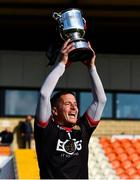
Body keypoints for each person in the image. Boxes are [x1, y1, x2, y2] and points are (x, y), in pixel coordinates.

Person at [34, 39, 107, 179]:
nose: (74, 106)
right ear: (54, 111)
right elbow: (44, 95)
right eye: (67, 104)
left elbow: (101, 100)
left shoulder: (83, 129)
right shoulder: (46, 129)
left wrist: (91, 67)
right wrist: (61, 65)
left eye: (75, 103)